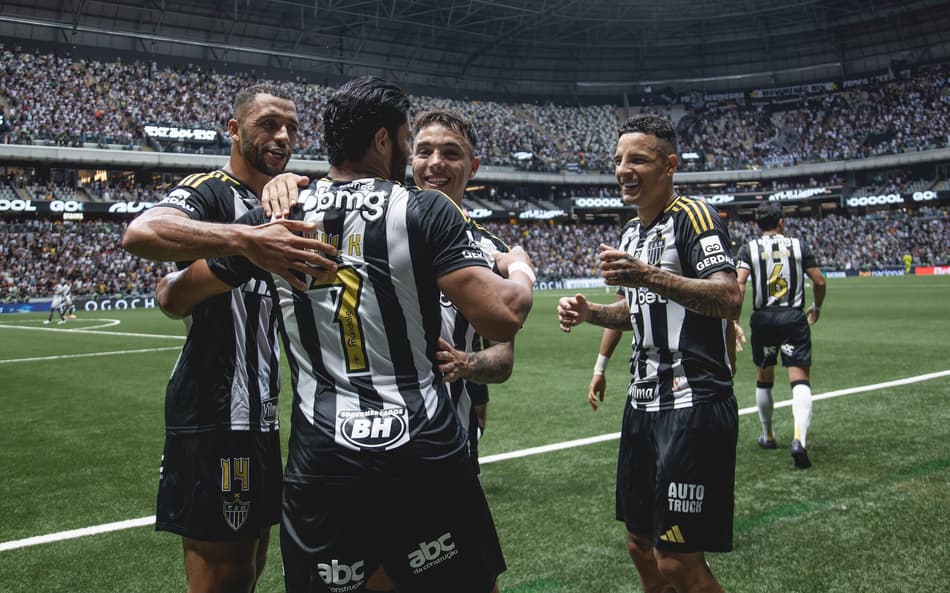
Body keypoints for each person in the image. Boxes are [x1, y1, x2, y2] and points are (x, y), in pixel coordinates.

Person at [155, 76, 535, 593]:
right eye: (407, 141)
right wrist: (520, 266)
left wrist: (243, 240)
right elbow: (502, 316)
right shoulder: (423, 209)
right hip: (421, 446)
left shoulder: (278, 219)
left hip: (323, 454)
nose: (410, 154)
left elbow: (174, 297)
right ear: (382, 141)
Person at [122, 83, 338, 593]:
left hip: (261, 410)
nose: (282, 136)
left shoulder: (286, 202)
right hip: (215, 408)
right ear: (235, 130)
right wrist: (246, 239)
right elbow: (142, 233)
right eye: (268, 124)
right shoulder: (210, 190)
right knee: (224, 576)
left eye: (291, 128)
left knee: (252, 561)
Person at [557, 114, 741, 593]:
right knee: (639, 546)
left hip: (693, 404)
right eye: (619, 160)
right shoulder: (631, 234)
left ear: (670, 165)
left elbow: (729, 297)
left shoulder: (694, 216)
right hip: (641, 406)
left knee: (677, 561)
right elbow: (635, 310)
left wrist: (648, 276)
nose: (624, 169)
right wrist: (591, 313)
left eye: (637, 159)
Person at [412, 109, 515, 476]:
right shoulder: (374, 222)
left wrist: (466, 364)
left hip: (451, 439)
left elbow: (503, 356)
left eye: (451, 153)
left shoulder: (492, 252)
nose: (435, 163)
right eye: (424, 151)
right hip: (370, 442)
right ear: (410, 159)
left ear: (473, 167)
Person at [735, 202, 826, 469]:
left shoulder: (749, 248)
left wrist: (733, 321)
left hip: (763, 318)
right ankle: (799, 440)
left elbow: (739, 283)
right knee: (799, 380)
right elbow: (819, 281)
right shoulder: (799, 245)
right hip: (793, 317)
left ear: (757, 224)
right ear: (781, 222)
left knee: (764, 378)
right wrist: (817, 307)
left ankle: (768, 435)